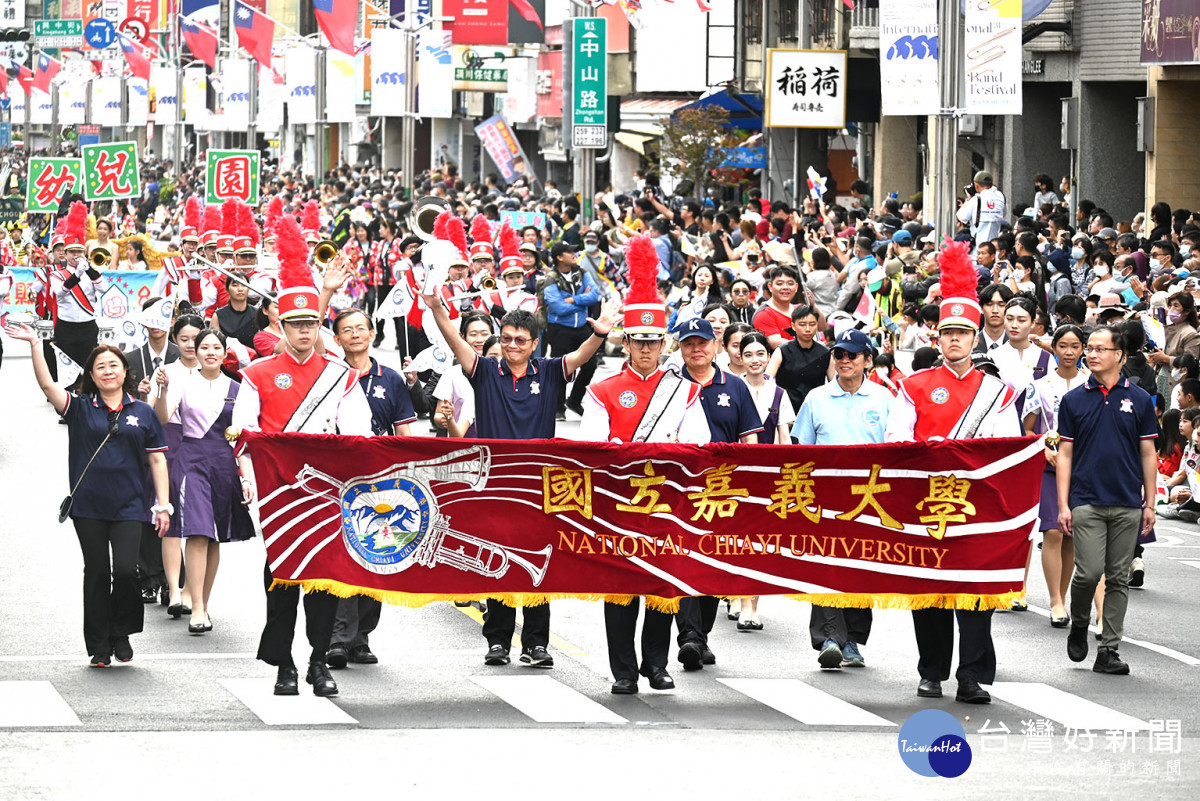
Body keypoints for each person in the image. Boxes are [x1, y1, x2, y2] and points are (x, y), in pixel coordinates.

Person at [421, 268, 619, 669]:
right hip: (492, 482)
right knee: (496, 561)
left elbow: (581, 356)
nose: (512, 345)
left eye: (520, 341)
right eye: (506, 338)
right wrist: (436, 305)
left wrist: (598, 332)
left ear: (534, 344)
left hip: (537, 484)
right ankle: (497, 641)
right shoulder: (484, 371)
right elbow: (452, 337)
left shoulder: (548, 372)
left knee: (538, 564)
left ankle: (536, 643)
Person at [231, 218, 374, 698]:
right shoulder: (258, 373)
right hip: (279, 491)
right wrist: (252, 476)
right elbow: (244, 434)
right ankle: (283, 664)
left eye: (312, 322)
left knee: (324, 580)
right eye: (296, 323)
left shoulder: (340, 375)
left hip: (327, 490)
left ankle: (317, 661)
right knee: (282, 579)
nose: (305, 331)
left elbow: (358, 433)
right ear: (281, 325)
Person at [885, 240, 1020, 705]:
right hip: (928, 505)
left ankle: (972, 675)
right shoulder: (914, 386)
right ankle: (932, 671)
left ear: (975, 336)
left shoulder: (997, 392)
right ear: (935, 338)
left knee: (974, 596)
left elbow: (1005, 451)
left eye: (964, 332)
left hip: (977, 507)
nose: (955, 340)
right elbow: (897, 445)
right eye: (948, 333)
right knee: (931, 594)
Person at [578, 237, 709, 694]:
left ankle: (657, 664)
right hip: (619, 500)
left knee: (660, 586)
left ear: (662, 343)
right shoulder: (604, 388)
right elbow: (595, 446)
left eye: (655, 342)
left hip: (666, 500)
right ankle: (624, 672)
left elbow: (699, 441)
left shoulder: (683, 389)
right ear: (627, 342)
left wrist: (676, 446)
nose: (647, 350)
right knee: (620, 590)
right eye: (640, 342)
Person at [4, 327, 169, 667]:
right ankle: (99, 645)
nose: (108, 371)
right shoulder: (79, 407)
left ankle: (121, 631)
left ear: (125, 371)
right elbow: (48, 386)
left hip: (130, 506)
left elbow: (157, 458)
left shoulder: (142, 412)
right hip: (89, 507)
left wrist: (163, 504)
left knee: (126, 571)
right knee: (96, 572)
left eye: (114, 365)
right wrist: (37, 345)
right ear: (91, 375)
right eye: (100, 367)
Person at [1057, 326, 1158, 676]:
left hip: (1128, 502)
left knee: (1117, 577)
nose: (1092, 354)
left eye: (1101, 348)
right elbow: (1065, 454)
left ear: (1121, 355)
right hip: (1085, 500)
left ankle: (1109, 649)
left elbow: (1148, 453)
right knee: (1087, 574)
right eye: (1090, 348)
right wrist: (1063, 504)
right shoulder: (1073, 400)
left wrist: (1150, 503)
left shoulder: (1141, 400)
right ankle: (1080, 621)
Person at [794, 329, 891, 669]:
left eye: (852, 355)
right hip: (825, 499)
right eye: (839, 355)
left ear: (868, 360)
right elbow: (801, 450)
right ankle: (829, 638)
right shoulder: (817, 398)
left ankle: (853, 638)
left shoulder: (883, 399)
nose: (845, 361)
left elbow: (897, 450)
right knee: (826, 569)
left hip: (871, 501)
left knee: (861, 568)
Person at [324, 309, 416, 669]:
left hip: (382, 481)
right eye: (346, 330)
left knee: (376, 553)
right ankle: (339, 637)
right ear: (337, 338)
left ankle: (361, 635)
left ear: (373, 334)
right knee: (344, 556)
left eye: (361, 328)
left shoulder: (390, 379)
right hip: (338, 478)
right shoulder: (329, 376)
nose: (355, 334)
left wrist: (410, 475)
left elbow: (404, 433)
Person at [674, 316, 763, 670]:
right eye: (688, 344)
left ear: (716, 344)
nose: (696, 349)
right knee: (683, 562)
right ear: (679, 348)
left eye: (702, 342)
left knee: (712, 563)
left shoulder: (736, 386)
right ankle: (690, 637)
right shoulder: (670, 385)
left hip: (723, 491)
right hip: (677, 490)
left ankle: (701, 636)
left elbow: (750, 440)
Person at [153, 329, 255, 634]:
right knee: (197, 532)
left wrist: (247, 479)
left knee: (213, 537)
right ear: (195, 352)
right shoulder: (182, 382)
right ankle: (196, 606)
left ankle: (203, 603)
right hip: (191, 461)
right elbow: (161, 418)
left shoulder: (239, 388)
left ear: (224, 353)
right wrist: (160, 390)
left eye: (216, 348)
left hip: (224, 465)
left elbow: (244, 441)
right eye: (204, 347)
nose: (210, 352)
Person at [1022, 325, 1089, 628]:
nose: (1069, 352)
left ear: (1082, 349)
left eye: (1075, 346)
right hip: (1049, 467)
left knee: (1072, 535)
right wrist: (1040, 448)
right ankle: (1054, 601)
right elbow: (1028, 426)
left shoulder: (1092, 384)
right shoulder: (1040, 384)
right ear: (1054, 348)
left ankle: (1062, 598)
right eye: (1063, 345)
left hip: (1083, 468)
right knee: (1053, 531)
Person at [731, 330, 796, 629]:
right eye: (748, 355)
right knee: (733, 540)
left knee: (758, 543)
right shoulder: (731, 389)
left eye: (760, 354)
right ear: (739, 358)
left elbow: (784, 439)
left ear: (769, 358)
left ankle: (750, 606)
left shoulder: (779, 395)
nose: (755, 360)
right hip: (731, 478)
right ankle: (734, 594)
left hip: (767, 479)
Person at [146, 314, 206, 619]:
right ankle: (173, 589)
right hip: (171, 444)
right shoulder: (165, 371)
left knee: (200, 525)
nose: (191, 345)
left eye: (197, 339)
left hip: (204, 449)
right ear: (175, 340)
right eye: (184, 339)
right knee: (168, 518)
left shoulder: (215, 369)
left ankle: (192, 594)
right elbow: (160, 417)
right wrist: (161, 390)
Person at [126, 297, 180, 605]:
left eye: (164, 318)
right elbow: (118, 397)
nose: (157, 325)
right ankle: (147, 576)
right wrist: (138, 394)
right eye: (152, 318)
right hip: (139, 445)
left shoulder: (180, 355)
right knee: (146, 511)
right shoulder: (131, 358)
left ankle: (172, 580)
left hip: (175, 442)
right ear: (144, 321)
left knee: (174, 511)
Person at [543, 241, 601, 418]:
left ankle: (574, 400)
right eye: (570, 252)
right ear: (559, 257)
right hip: (559, 329)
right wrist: (583, 300)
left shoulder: (581, 272)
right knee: (560, 368)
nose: (574, 254)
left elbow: (595, 295)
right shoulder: (551, 278)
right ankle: (558, 407)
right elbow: (557, 308)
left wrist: (573, 300)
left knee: (590, 364)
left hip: (581, 328)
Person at [767, 305, 831, 413]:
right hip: (786, 411)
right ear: (793, 325)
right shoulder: (782, 351)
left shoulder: (825, 353)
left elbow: (833, 384)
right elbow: (767, 381)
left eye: (812, 324)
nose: (807, 329)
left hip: (816, 410)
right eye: (802, 324)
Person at [956, 171, 1008, 247]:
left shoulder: (976, 199)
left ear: (976, 185)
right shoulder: (1001, 196)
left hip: (980, 245)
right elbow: (1004, 213)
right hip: (995, 245)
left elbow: (961, 217)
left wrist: (968, 199)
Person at [973, 283, 1014, 353]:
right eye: (989, 304)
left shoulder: (1016, 345)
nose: (995, 310)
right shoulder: (971, 345)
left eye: (1001, 305)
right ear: (981, 309)